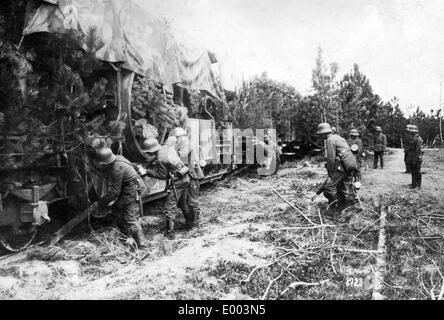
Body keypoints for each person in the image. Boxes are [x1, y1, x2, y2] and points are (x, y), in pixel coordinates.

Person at [95, 148, 147, 249]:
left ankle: (142, 245)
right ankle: (128, 238)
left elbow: (115, 192)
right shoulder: (119, 158)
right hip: (130, 189)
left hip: (132, 191)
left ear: (105, 163)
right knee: (118, 213)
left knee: (131, 219)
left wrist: (101, 202)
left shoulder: (116, 169)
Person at [142, 137, 191, 239]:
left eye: (148, 152)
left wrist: (146, 171)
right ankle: (190, 225)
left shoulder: (160, 159)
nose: (148, 154)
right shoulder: (165, 148)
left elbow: (162, 175)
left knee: (169, 209)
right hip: (185, 177)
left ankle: (170, 235)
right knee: (183, 203)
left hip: (177, 182)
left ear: (151, 151)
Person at [315, 123, 358, 212]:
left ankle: (334, 208)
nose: (321, 136)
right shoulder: (338, 137)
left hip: (343, 165)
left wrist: (330, 173)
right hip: (351, 163)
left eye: (321, 134)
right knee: (343, 185)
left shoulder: (330, 140)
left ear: (323, 133)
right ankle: (347, 206)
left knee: (329, 188)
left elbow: (331, 158)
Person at [170, 127, 204, 230]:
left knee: (192, 201)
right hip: (187, 175)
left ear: (179, 137)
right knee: (184, 201)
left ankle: (195, 225)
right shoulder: (183, 143)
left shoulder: (186, 143)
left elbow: (183, 155)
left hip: (192, 176)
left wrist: (169, 151)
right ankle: (190, 223)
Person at [405, 125, 423, 190]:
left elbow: (418, 151)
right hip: (412, 157)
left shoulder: (418, 139)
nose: (408, 133)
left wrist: (415, 159)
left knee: (417, 171)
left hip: (417, 157)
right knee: (413, 171)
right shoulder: (412, 138)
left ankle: (418, 185)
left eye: (409, 132)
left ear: (413, 132)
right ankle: (413, 184)